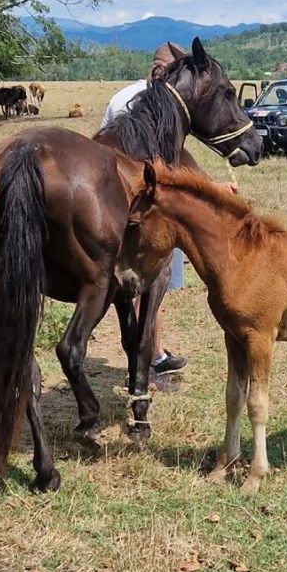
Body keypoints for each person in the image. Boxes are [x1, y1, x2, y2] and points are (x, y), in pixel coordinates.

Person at [100, 53, 187, 377]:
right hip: (149, 205)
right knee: (149, 282)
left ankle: (152, 350)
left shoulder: (120, 96)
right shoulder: (165, 106)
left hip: (114, 202)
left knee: (135, 283)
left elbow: (100, 148)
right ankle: (150, 355)